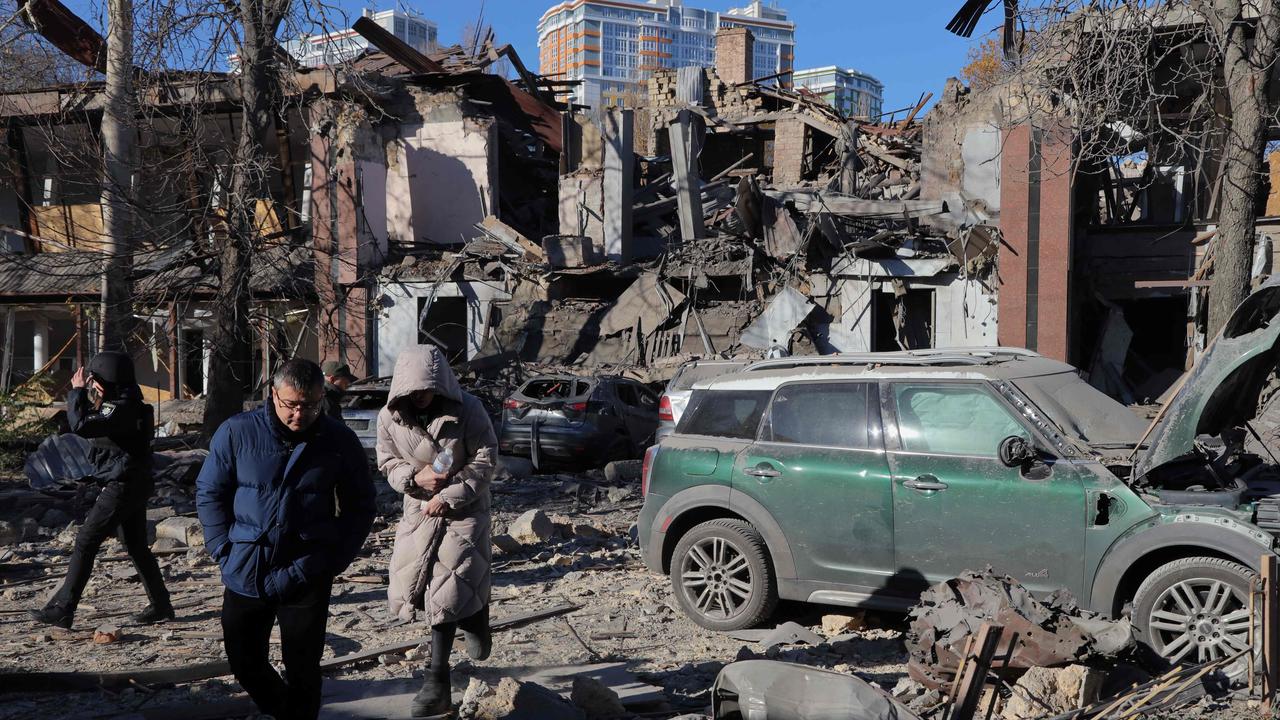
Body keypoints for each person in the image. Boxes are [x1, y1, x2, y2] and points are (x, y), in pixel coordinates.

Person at [196, 358, 375, 720]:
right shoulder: (237, 432)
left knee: (304, 667)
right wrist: (221, 548)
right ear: (273, 394)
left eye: (310, 405)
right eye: (291, 404)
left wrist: (333, 559)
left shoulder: (338, 440)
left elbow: (360, 505)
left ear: (322, 397)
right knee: (244, 661)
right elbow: (210, 491)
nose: (299, 414)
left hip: (306, 567)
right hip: (246, 563)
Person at [377, 345, 497, 718]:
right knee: (424, 588)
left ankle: (438, 677)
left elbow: (486, 456)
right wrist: (413, 477)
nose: (421, 396)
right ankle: (469, 618)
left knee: (447, 590)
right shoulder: (390, 417)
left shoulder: (469, 410)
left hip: (464, 510)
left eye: (428, 389)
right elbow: (386, 460)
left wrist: (451, 494)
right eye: (414, 391)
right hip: (419, 509)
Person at [29, 351, 172, 629]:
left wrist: (77, 392)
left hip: (122, 485)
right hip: (134, 482)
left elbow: (80, 425)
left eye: (95, 380)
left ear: (103, 381)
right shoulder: (128, 404)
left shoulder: (119, 408)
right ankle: (161, 604)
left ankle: (64, 608)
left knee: (85, 541)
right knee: (136, 546)